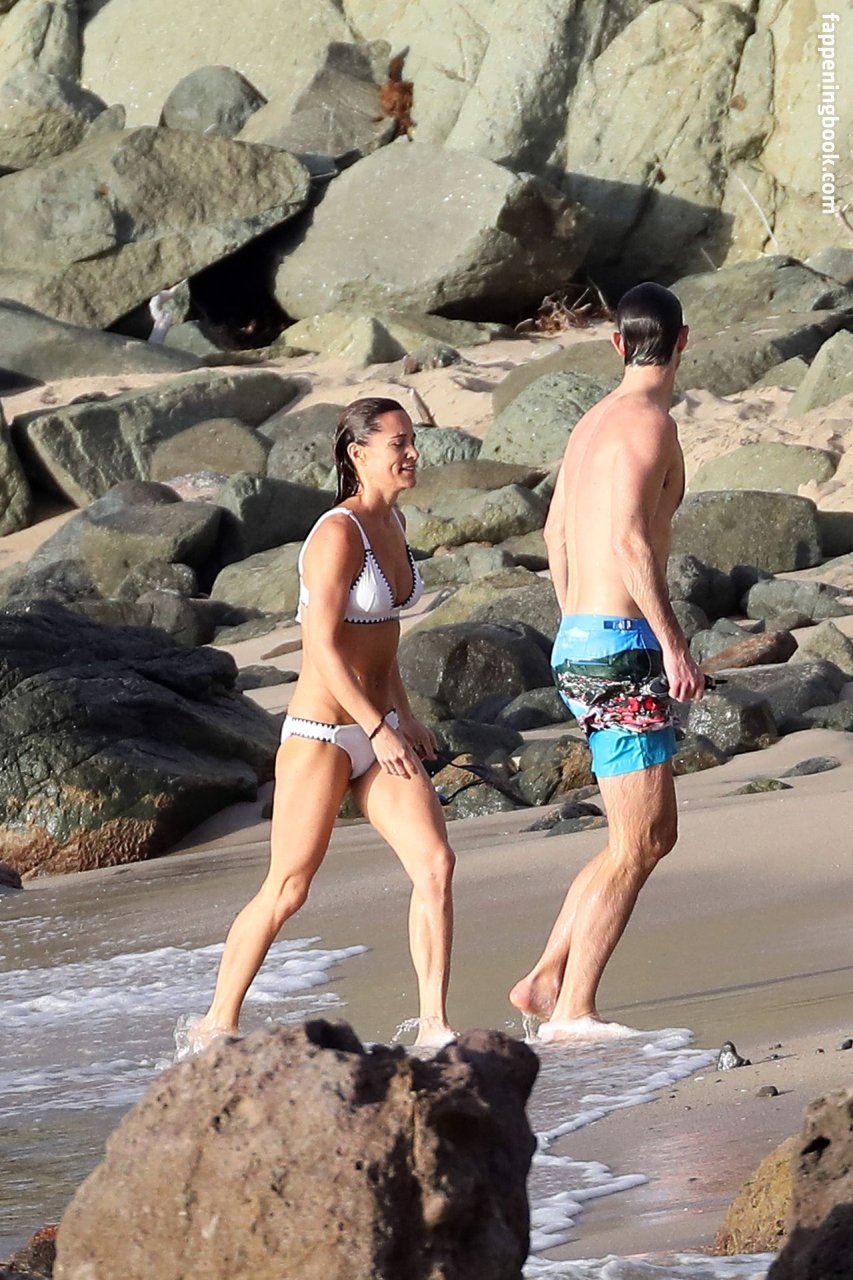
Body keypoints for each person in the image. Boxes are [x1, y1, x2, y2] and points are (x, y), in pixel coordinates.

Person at [185, 397, 456, 1051]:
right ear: (358, 453)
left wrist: (404, 716)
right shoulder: (338, 533)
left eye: (412, 439)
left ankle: (433, 1026)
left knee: (435, 864)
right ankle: (215, 1027)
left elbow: (380, 637)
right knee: (288, 888)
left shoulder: (392, 521)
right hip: (322, 735)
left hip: (380, 725)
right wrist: (378, 728)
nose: (411, 452)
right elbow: (324, 649)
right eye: (398, 442)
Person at [509, 282, 707, 1042]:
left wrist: (575, 627)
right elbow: (627, 542)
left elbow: (556, 535)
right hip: (619, 646)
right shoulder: (651, 426)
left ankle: (545, 980)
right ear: (681, 342)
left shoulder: (590, 424)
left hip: (581, 638)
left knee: (642, 835)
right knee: (641, 841)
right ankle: (574, 1011)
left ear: (618, 345)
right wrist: (671, 644)